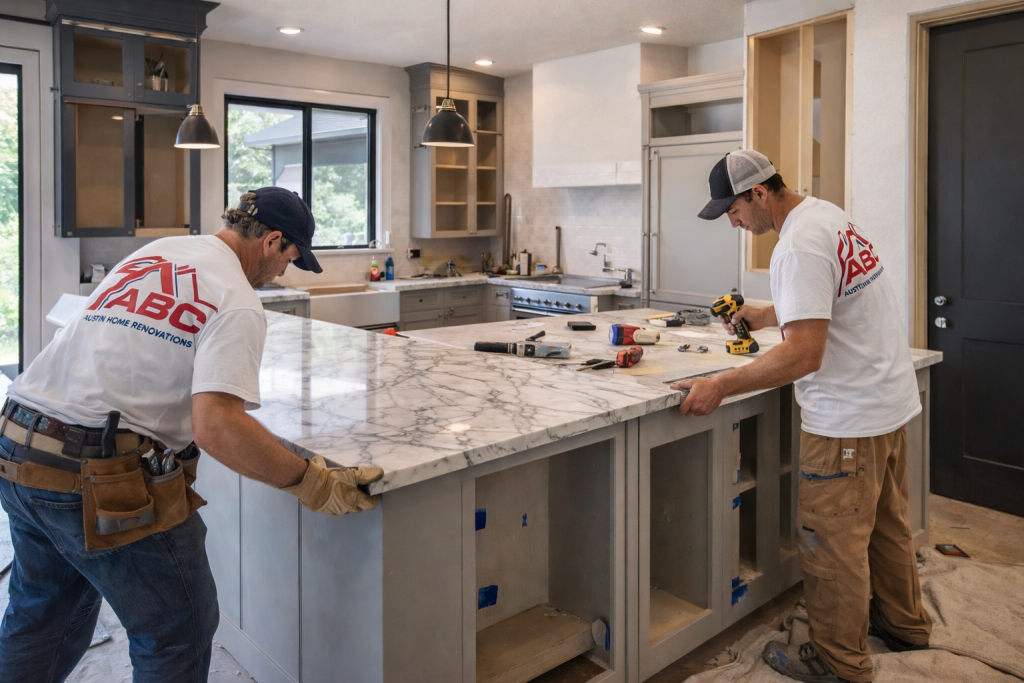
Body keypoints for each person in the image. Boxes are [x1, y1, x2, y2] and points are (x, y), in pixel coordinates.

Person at [0, 187, 383, 682]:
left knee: (42, 617)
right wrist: (315, 483)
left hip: (17, 445)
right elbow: (217, 427)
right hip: (96, 475)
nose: (283, 271)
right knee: (176, 631)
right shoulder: (237, 301)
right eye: (290, 257)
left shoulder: (160, 251)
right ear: (271, 241)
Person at [677, 151, 932, 683]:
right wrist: (770, 313)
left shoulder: (794, 245)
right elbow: (828, 300)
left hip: (846, 421)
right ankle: (905, 624)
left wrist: (719, 384)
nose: (733, 222)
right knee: (886, 526)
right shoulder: (827, 215)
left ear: (759, 193)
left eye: (733, 210)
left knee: (832, 544)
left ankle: (839, 663)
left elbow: (803, 355)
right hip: (886, 406)